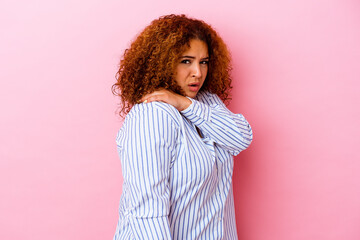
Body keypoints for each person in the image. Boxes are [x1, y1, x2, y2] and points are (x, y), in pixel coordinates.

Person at [112, 14, 253, 240]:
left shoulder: (205, 101)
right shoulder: (152, 115)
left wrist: (185, 104)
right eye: (186, 61)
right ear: (163, 62)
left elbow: (240, 138)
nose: (198, 72)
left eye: (203, 62)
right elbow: (147, 213)